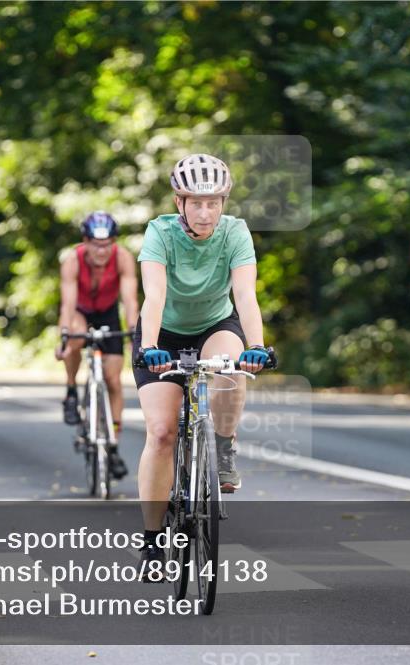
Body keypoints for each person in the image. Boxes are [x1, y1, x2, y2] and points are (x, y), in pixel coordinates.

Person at [133, 153, 272, 580]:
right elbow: (154, 296)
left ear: (224, 203)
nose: (206, 211)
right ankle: (154, 539)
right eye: (196, 202)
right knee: (161, 432)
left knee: (230, 368)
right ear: (179, 203)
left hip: (216, 323)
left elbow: (245, 295)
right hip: (163, 333)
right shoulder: (159, 233)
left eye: (214, 202)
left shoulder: (235, 233)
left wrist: (258, 345)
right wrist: (151, 346)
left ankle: (224, 449)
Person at [55, 212, 140, 479]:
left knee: (114, 381)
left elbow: (129, 300)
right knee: (76, 337)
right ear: (86, 241)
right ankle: (71, 390)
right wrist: (65, 336)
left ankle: (112, 446)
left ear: (113, 242)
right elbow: (67, 304)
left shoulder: (123, 258)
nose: (102, 251)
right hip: (80, 311)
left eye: (107, 244)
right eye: (96, 244)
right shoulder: (73, 260)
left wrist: (135, 332)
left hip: (107, 312)